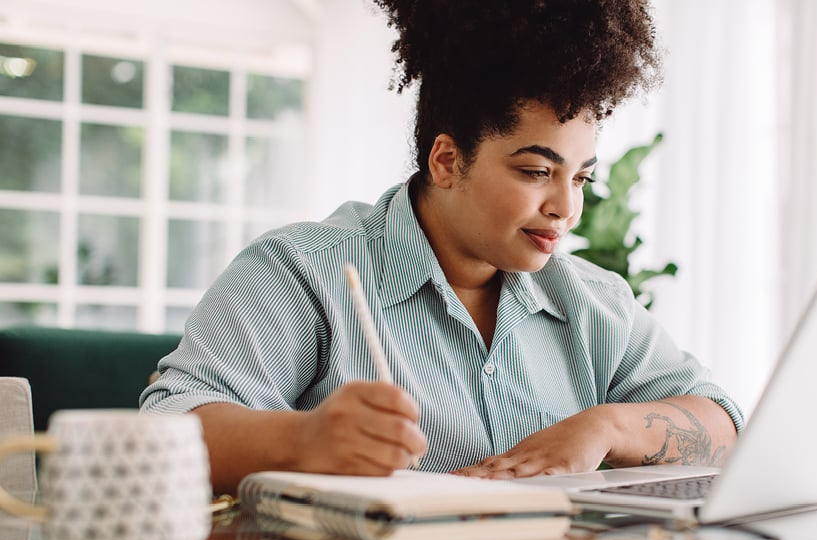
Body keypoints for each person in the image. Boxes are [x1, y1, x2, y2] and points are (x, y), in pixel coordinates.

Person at [141, 0, 743, 495]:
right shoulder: (305, 271)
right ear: (448, 160)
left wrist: (605, 426)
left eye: (581, 176)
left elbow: (725, 427)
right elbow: (162, 434)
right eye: (537, 171)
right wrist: (304, 440)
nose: (566, 206)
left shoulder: (594, 303)